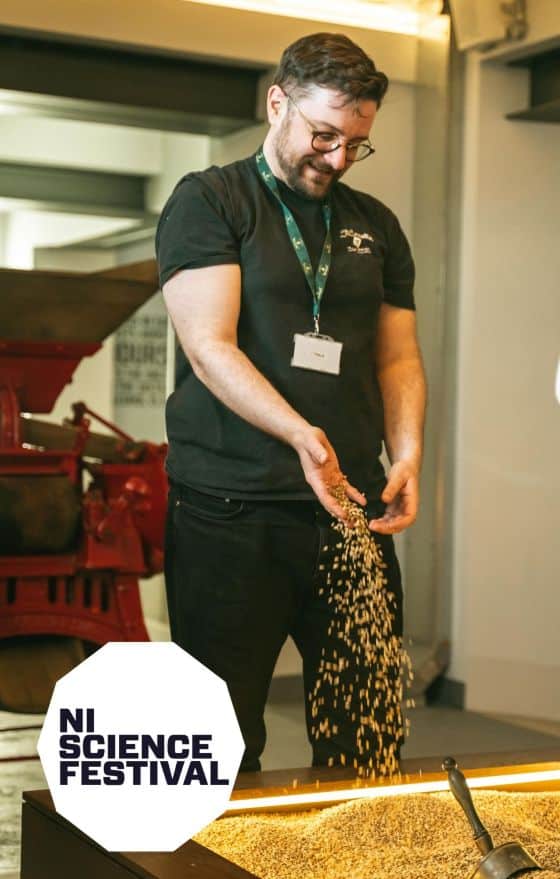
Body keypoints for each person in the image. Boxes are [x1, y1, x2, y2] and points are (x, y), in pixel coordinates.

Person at [156, 32, 426, 773]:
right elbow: (211, 347)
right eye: (324, 134)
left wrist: (406, 453)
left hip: (351, 509)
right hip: (231, 510)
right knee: (217, 741)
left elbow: (397, 355)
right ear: (278, 102)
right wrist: (302, 434)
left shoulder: (375, 224)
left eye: (356, 143)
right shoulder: (211, 201)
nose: (337, 159)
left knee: (366, 732)